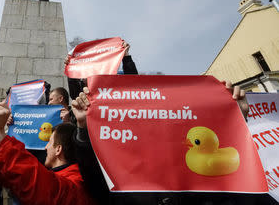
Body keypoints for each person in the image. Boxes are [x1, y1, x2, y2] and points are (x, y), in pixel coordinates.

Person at [71, 83, 276, 205]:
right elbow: (96, 184)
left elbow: (248, 192)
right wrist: (83, 128)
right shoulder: (126, 186)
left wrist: (236, 124)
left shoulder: (206, 176)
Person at [0, 100, 96, 205]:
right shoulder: (59, 175)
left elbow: (39, 186)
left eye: (49, 142)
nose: (45, 148)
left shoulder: (76, 185)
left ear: (58, 149)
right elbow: (9, 178)